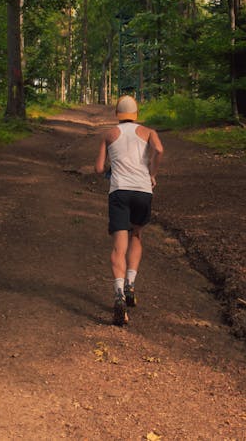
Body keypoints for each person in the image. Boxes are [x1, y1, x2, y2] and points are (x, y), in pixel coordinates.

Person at [94, 94, 164, 326]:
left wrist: (110, 168)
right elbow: (160, 150)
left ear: (117, 114)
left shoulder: (109, 134)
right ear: (136, 115)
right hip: (143, 191)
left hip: (119, 192)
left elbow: (97, 168)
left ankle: (118, 294)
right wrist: (151, 173)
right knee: (137, 235)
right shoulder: (149, 132)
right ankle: (131, 284)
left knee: (118, 246)